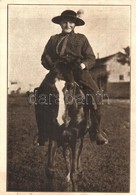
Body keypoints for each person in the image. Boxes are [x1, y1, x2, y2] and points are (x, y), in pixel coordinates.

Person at [36, 9, 108, 145]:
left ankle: (96, 131)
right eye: (64, 22)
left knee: (96, 94)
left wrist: (82, 65)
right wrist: (51, 65)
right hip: (58, 71)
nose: (67, 25)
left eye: (70, 22)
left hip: (78, 72)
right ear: (60, 24)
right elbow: (45, 57)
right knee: (40, 95)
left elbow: (91, 58)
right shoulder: (53, 39)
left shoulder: (82, 39)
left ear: (75, 24)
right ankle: (42, 133)